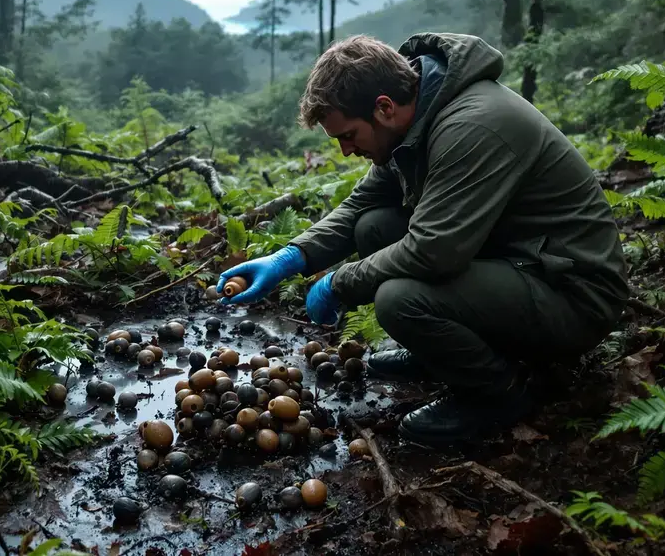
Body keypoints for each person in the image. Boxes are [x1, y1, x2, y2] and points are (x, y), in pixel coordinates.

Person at [215, 32, 629, 445]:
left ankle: (497, 394)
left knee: (399, 298)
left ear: (383, 108)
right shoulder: (414, 120)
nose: (344, 151)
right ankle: (442, 355)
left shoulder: (473, 124)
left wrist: (338, 282)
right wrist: (292, 256)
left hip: (572, 294)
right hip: (515, 261)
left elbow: (434, 251)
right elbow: (363, 204)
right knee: (374, 226)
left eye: (349, 135)